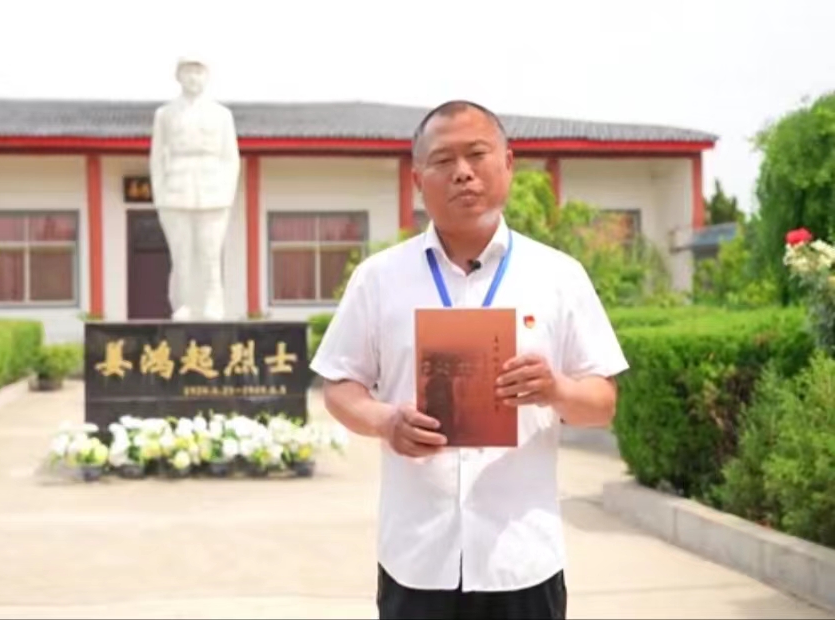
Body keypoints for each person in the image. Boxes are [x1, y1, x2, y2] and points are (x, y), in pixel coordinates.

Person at [309, 100, 629, 620]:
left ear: (508, 163)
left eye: (477, 154)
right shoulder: (380, 278)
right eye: (443, 160)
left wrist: (556, 389)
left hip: (521, 558)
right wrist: (385, 421)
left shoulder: (558, 276)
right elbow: (341, 386)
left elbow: (602, 403)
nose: (462, 172)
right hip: (417, 557)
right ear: (418, 179)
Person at [148, 55, 241, 321]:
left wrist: (226, 194)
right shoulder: (165, 114)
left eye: (198, 72)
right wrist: (160, 195)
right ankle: (184, 304)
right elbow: (157, 158)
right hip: (176, 190)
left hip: (213, 190)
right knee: (182, 255)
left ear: (206, 76)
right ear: (178, 76)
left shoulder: (222, 115)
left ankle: (213, 304)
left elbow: (230, 158)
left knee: (210, 253)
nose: (193, 77)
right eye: (188, 71)